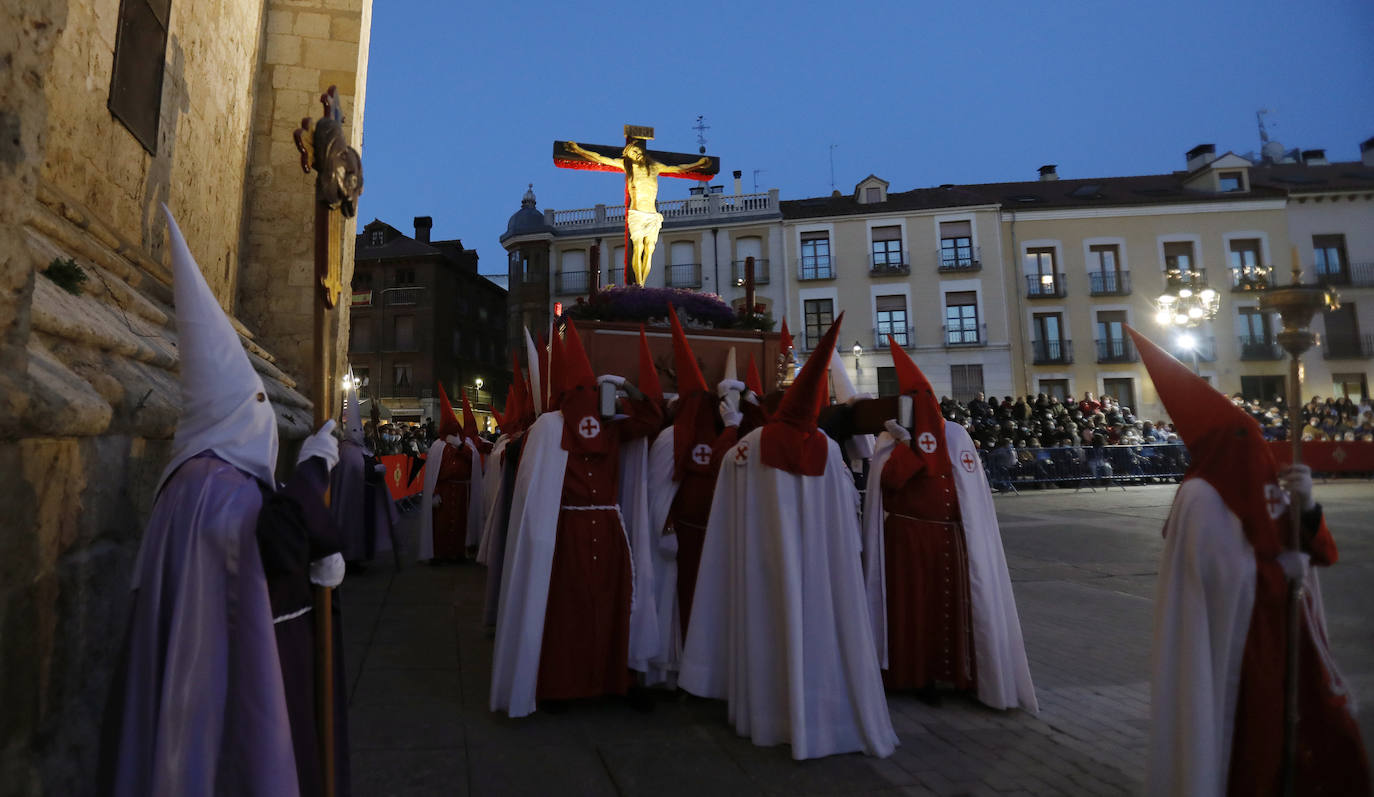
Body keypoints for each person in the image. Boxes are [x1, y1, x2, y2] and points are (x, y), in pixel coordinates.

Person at [99, 207, 347, 797]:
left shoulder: (189, 478)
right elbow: (276, 541)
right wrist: (313, 470)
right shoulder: (218, 488)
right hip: (228, 679)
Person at [1130, 326, 1370, 796]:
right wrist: (1281, 573)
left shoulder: (1266, 484)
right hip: (1238, 650)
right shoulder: (1201, 499)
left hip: (1290, 640)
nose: (1256, 447)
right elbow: (1221, 586)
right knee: (1252, 752)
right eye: (1246, 436)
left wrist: (1308, 509)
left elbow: (1320, 553)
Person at [679, 314, 898, 760]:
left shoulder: (748, 447)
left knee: (766, 628)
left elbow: (727, 500)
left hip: (761, 565)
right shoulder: (829, 453)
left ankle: (767, 716)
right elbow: (847, 519)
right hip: (821, 573)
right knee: (817, 634)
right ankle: (820, 713)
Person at [490, 321, 663, 716]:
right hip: (566, 529)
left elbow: (652, 420)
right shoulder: (549, 428)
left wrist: (626, 390)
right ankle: (562, 685)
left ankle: (612, 679)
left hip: (607, 526)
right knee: (566, 609)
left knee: (612, 606)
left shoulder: (614, 424)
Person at [861, 336, 1037, 712]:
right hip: (906, 541)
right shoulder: (889, 441)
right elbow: (888, 486)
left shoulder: (956, 435)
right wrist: (905, 448)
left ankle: (960, 674)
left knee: (952, 607)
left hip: (951, 539)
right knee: (913, 608)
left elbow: (969, 489)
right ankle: (912, 676)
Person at [645, 314, 739, 685]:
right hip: (679, 536)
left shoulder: (720, 437)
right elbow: (659, 488)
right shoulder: (671, 439)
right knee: (675, 602)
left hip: (710, 536)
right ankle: (672, 669)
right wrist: (664, 525)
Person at [562, 139, 712, 285]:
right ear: (629, 157)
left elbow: (678, 168)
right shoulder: (627, 167)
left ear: (641, 150)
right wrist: (577, 150)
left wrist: (698, 164)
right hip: (637, 214)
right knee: (638, 247)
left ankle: (642, 284)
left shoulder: (654, 167)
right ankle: (639, 284)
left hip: (652, 215)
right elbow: (600, 158)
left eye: (636, 150)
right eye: (632, 153)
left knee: (650, 250)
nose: (636, 154)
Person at [418, 385, 482, 564]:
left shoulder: (465, 444)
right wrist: (435, 491)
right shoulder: (437, 447)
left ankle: (459, 553)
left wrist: (460, 446)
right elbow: (434, 473)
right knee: (442, 525)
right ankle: (440, 554)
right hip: (444, 490)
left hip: (463, 491)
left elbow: (473, 461)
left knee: (461, 524)